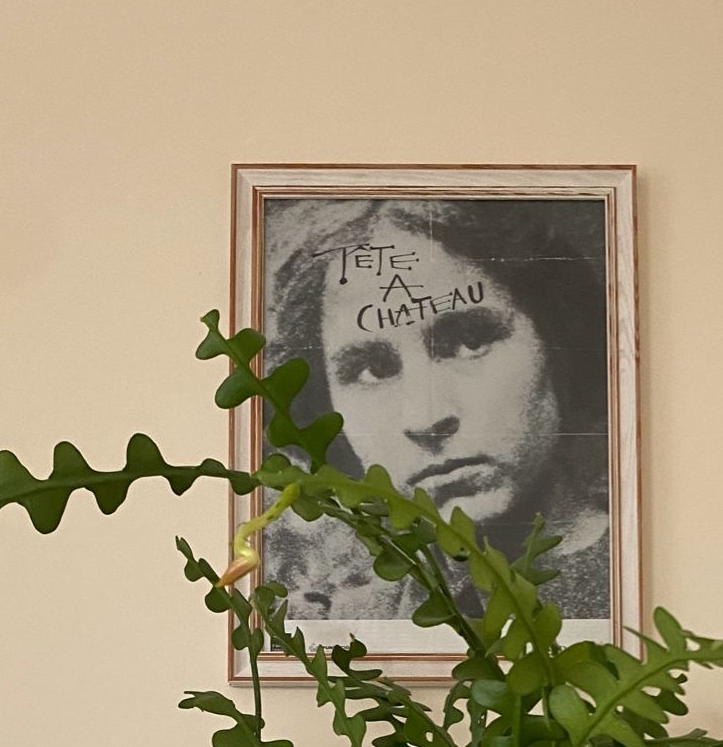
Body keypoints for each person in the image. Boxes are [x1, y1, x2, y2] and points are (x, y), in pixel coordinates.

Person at [259, 196, 612, 626]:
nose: (426, 418)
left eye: (469, 341)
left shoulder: (639, 580)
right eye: (372, 369)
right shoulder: (349, 625)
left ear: (557, 340)